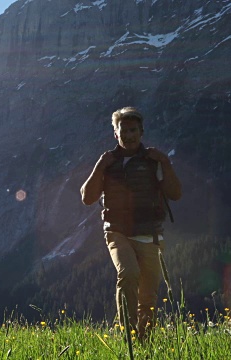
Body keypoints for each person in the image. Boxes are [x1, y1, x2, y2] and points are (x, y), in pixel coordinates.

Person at [80, 106, 181, 337]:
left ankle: (143, 342)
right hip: (117, 232)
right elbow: (87, 198)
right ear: (115, 133)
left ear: (141, 131)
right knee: (128, 273)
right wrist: (99, 166)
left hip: (151, 234)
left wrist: (165, 163)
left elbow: (175, 194)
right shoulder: (108, 162)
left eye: (133, 130)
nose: (128, 135)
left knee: (148, 296)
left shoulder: (154, 161)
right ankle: (128, 334)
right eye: (123, 130)